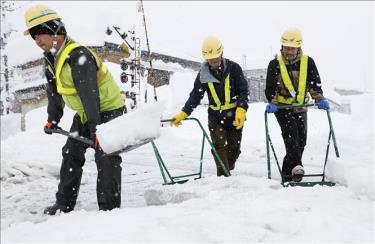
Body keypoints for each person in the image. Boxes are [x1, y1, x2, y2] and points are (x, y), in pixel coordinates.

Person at [24, 5, 126, 214]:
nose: (37, 40)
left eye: (39, 33)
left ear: (54, 30)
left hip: (108, 111)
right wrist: (53, 118)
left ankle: (110, 211)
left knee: (105, 157)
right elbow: (54, 92)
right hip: (86, 114)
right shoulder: (51, 58)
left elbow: (90, 95)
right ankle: (64, 204)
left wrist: (97, 130)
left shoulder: (78, 55)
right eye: (33, 36)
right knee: (71, 153)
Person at [170, 36, 249, 176]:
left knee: (234, 148)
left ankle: (226, 169)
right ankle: (223, 175)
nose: (213, 62)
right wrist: (184, 113)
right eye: (210, 60)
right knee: (219, 146)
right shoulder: (203, 74)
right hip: (215, 117)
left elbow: (243, 91)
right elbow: (195, 96)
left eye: (216, 59)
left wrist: (241, 110)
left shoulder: (234, 68)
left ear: (221, 54)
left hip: (234, 114)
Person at [265, 27, 330, 182]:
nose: (289, 51)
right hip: (282, 107)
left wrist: (319, 98)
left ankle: (288, 175)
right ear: (282, 47)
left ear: (298, 47)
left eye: (292, 49)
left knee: (301, 141)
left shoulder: (308, 62)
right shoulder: (274, 64)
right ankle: (298, 167)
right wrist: (272, 102)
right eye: (287, 48)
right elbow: (270, 88)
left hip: (301, 107)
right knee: (291, 133)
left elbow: (314, 84)